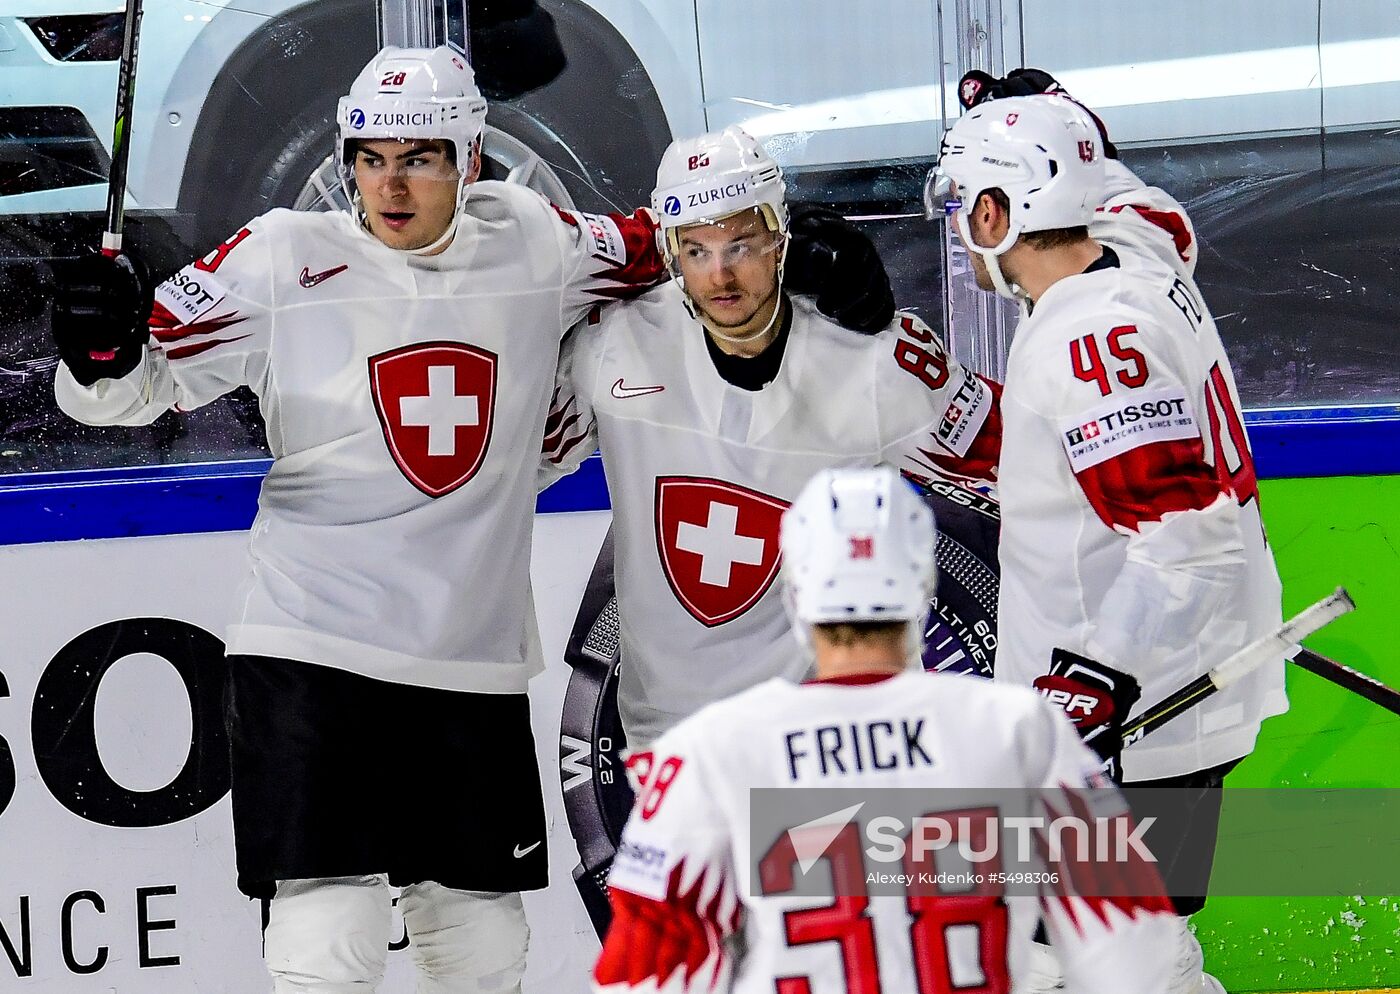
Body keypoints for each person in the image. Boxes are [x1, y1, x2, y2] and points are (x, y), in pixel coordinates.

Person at [48, 45, 893, 994]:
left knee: (483, 948)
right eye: (370, 157)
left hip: (472, 657)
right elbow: (128, 389)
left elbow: (682, 243)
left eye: (421, 157)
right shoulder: (283, 256)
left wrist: (816, 244)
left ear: (473, 159)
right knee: (329, 934)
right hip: (310, 638)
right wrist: (100, 348)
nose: (391, 184)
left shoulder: (537, 242)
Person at [925, 91, 1287, 993]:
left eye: (966, 204)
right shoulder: (1139, 252)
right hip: (1167, 702)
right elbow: (1142, 203)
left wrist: (1092, 681)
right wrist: (1047, 111)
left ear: (997, 212)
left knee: (1100, 965)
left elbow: (1189, 540)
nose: (960, 235)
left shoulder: (1091, 337)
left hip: (1139, 721)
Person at [592, 465, 1179, 994]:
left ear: (795, 596)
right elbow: (1132, 942)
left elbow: (649, 970)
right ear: (924, 587)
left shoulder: (711, 751)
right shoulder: (1020, 730)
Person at [540, 126, 1001, 749]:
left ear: (782, 237)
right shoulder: (612, 342)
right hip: (669, 739)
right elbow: (513, 455)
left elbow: (1022, 461)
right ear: (670, 251)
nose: (721, 277)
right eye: (696, 251)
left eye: (741, 244)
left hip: (829, 740)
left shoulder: (875, 358)